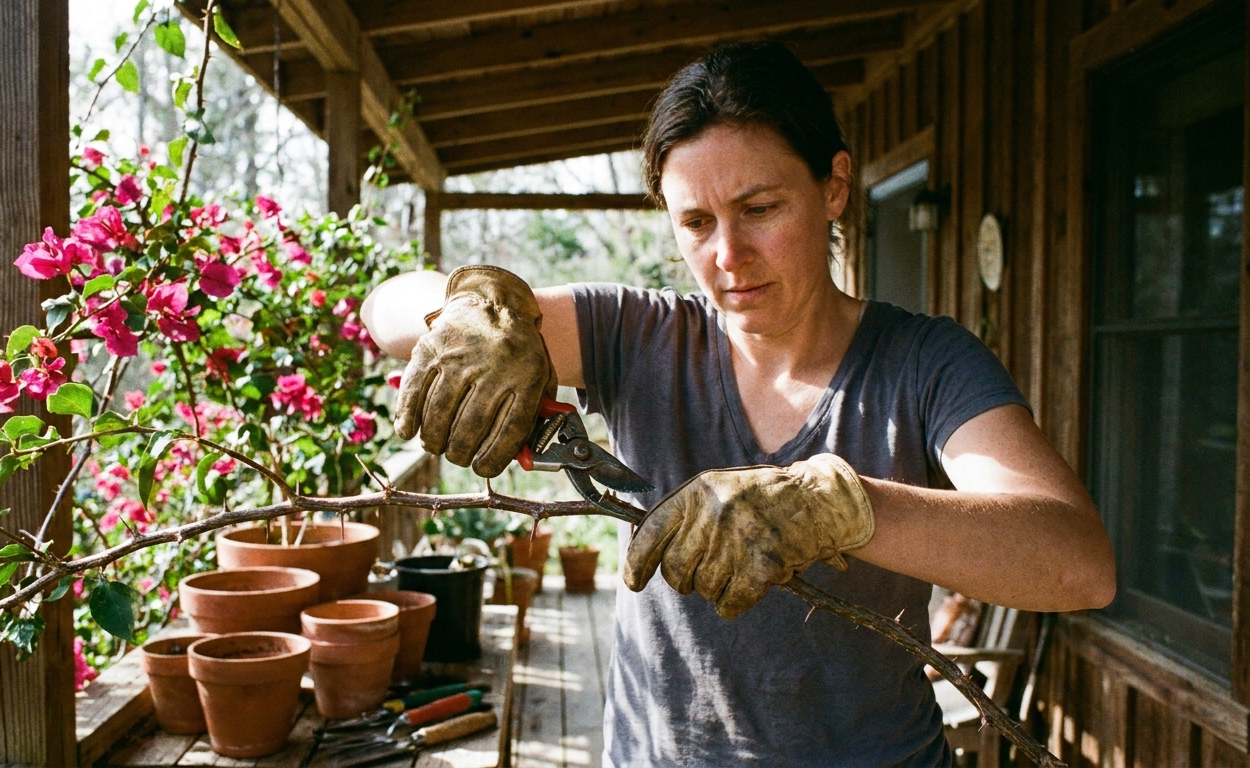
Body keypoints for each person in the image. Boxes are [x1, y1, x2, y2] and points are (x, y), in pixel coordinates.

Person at [364, 41, 1115, 767]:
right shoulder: (636, 334)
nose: (727, 255)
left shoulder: (925, 363)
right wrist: (474, 310)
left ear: (834, 186)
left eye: (759, 208)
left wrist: (835, 506)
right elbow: (386, 305)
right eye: (695, 222)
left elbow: (1078, 565)